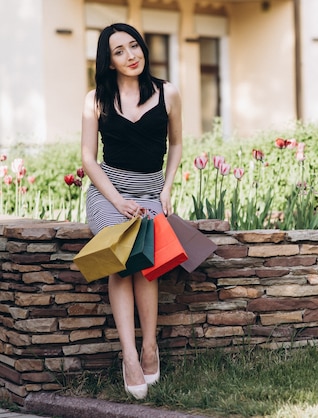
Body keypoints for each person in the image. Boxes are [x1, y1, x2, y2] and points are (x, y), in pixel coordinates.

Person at [81, 22, 182, 400]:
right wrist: (117, 201)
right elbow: (89, 160)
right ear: (108, 61)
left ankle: (150, 346)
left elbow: (177, 145)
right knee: (121, 257)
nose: (130, 55)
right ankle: (129, 355)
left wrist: (167, 189)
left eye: (134, 46)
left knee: (148, 262)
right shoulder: (94, 100)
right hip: (109, 193)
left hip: (151, 191)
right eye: (119, 51)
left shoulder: (167, 93)